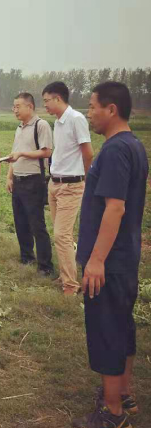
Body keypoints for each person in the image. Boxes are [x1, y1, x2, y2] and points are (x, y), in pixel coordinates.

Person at [71, 82, 147, 428]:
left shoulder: (115, 150)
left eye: (92, 106)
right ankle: (124, 394)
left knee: (107, 331)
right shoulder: (134, 145)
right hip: (124, 257)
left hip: (110, 261)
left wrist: (97, 259)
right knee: (122, 325)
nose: (89, 113)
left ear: (111, 109)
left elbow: (115, 208)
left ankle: (112, 413)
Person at [42, 82, 94, 296]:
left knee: (61, 235)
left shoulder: (76, 119)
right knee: (62, 234)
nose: (45, 105)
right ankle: (66, 275)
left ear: (58, 98)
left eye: (47, 100)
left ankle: (71, 285)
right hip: (55, 183)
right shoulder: (58, 122)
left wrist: (87, 181)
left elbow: (88, 153)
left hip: (71, 185)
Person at [6, 92, 54, 276]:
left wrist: (22, 154)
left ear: (30, 106)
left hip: (33, 180)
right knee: (20, 222)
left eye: (18, 106)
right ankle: (27, 257)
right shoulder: (19, 128)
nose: (15, 110)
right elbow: (14, 153)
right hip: (18, 179)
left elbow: (46, 151)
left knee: (37, 224)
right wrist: (9, 177)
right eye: (14, 107)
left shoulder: (41, 125)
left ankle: (45, 266)